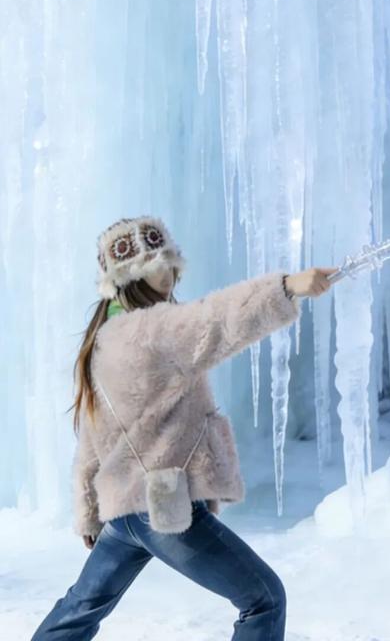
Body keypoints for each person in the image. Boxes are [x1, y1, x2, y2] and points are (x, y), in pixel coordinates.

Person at [31, 214, 338, 640]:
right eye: (157, 266)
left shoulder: (103, 338)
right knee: (264, 599)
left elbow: (92, 437)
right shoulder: (153, 328)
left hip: (124, 514)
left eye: (172, 263)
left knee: (78, 611)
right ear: (130, 277)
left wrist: (90, 513)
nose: (169, 275)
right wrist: (286, 287)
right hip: (161, 508)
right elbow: (216, 320)